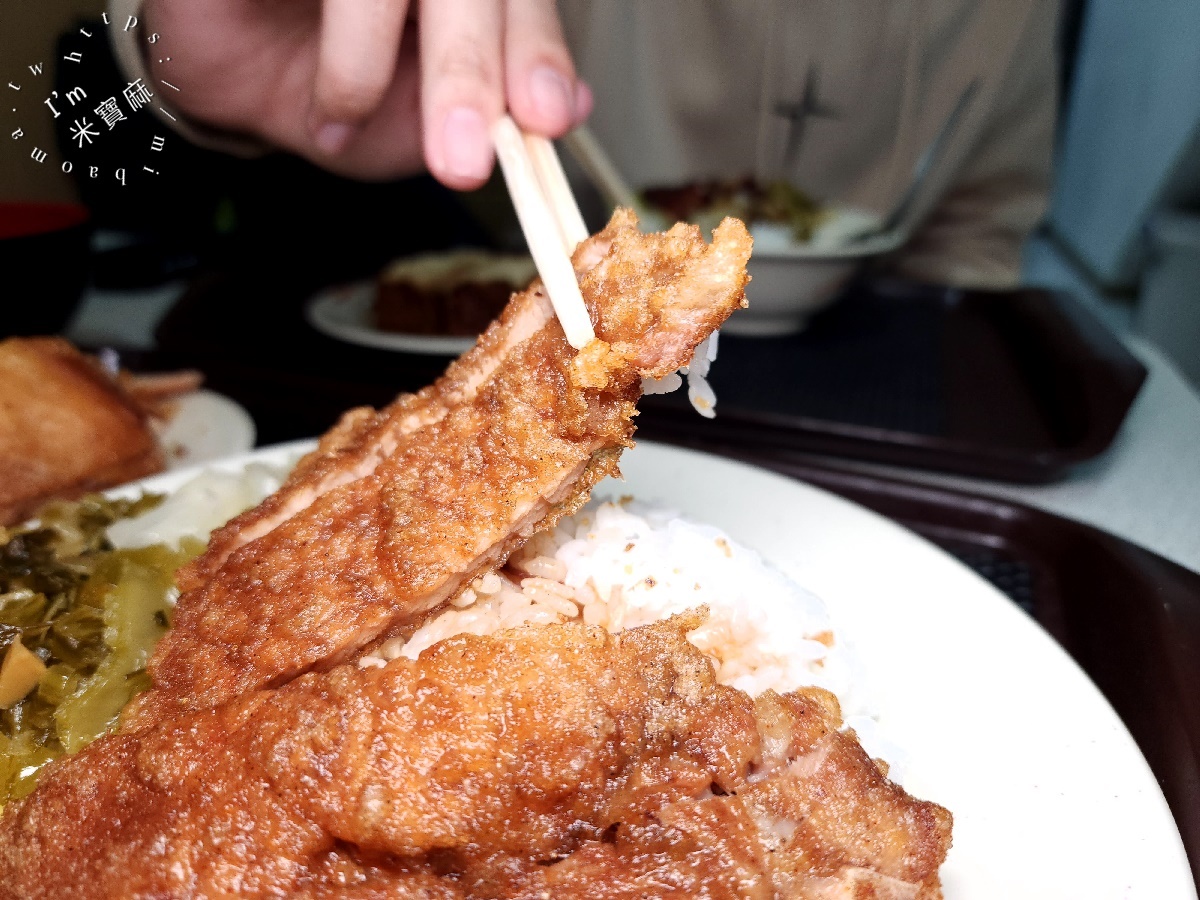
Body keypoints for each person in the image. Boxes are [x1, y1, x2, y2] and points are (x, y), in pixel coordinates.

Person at [110, 0, 1059, 289]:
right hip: (511, 288)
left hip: (867, 395)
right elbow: (167, 53)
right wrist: (168, 48)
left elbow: (980, 233)